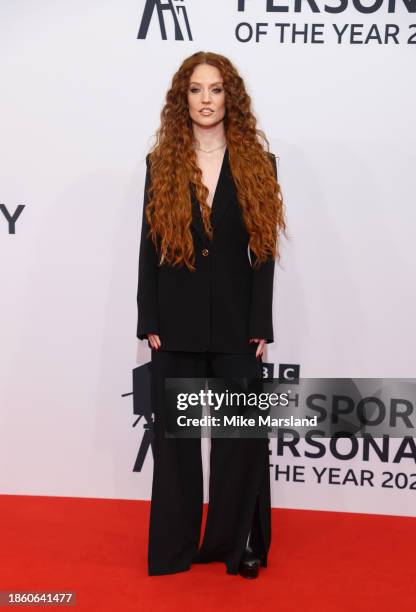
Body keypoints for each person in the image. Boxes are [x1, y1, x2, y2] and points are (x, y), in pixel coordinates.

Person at [136, 51, 286, 578]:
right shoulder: (162, 162)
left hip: (235, 325)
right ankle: (173, 550)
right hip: (173, 324)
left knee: (239, 443)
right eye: (196, 89)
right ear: (184, 97)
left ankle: (237, 544)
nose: (206, 99)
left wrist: (259, 325)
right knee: (175, 445)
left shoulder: (258, 163)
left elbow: (263, 251)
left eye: (216, 89)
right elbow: (149, 243)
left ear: (230, 97)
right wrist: (148, 315)